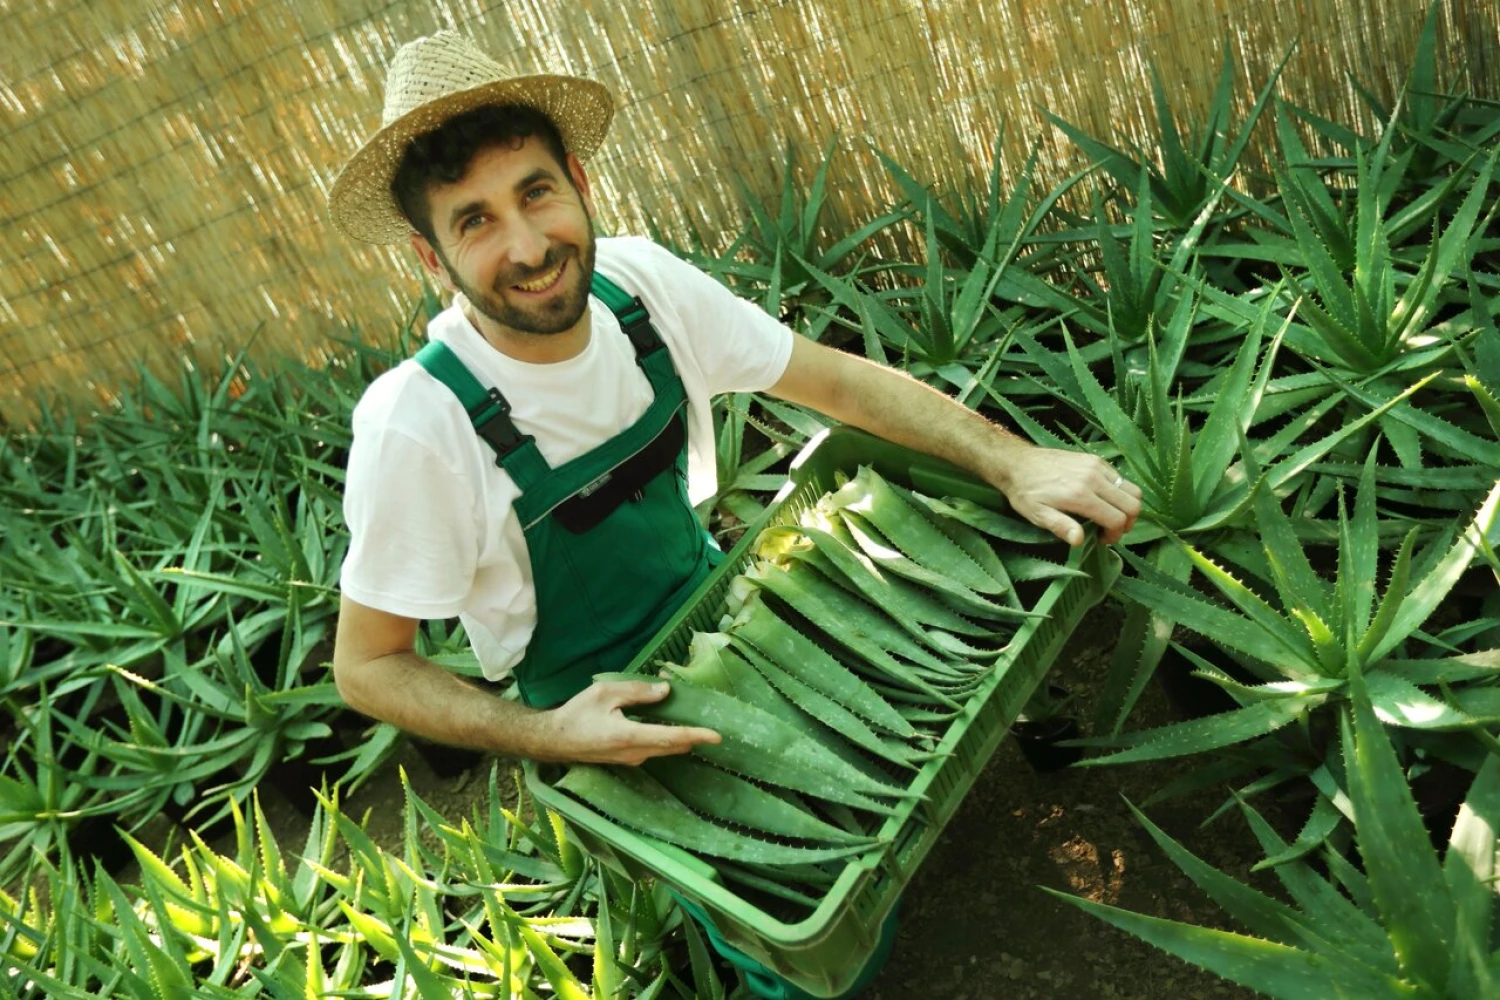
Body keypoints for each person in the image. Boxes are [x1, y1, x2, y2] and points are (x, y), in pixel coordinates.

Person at [326, 29, 1141, 998]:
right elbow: (368, 665)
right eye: (475, 221)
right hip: (594, 700)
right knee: (804, 935)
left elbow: (833, 380)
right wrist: (550, 737)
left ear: (581, 180)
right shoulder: (420, 424)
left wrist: (1013, 459)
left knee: (906, 760)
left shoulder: (641, 286)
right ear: (430, 257)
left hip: (719, 599)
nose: (528, 245)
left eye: (537, 192)